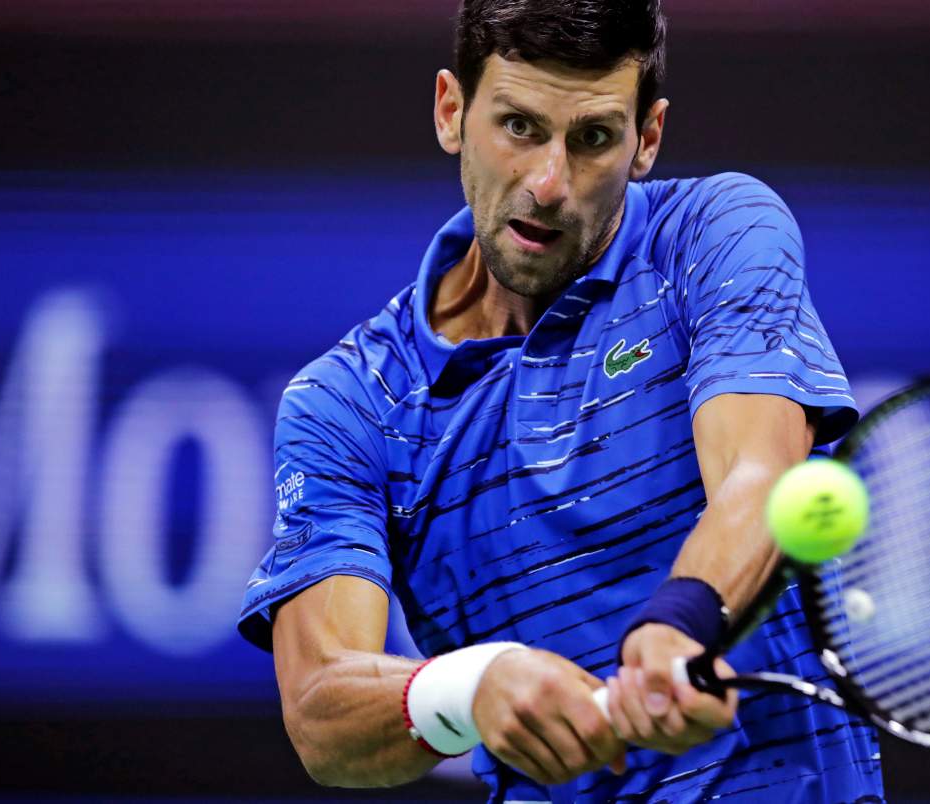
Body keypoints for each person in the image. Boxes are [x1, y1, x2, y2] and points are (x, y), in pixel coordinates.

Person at [238, 1, 884, 801]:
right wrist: (473, 687)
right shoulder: (350, 404)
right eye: (519, 127)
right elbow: (320, 711)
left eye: (594, 138)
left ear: (647, 138)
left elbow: (760, 477)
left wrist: (678, 623)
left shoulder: (713, 234)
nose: (549, 185)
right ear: (451, 111)